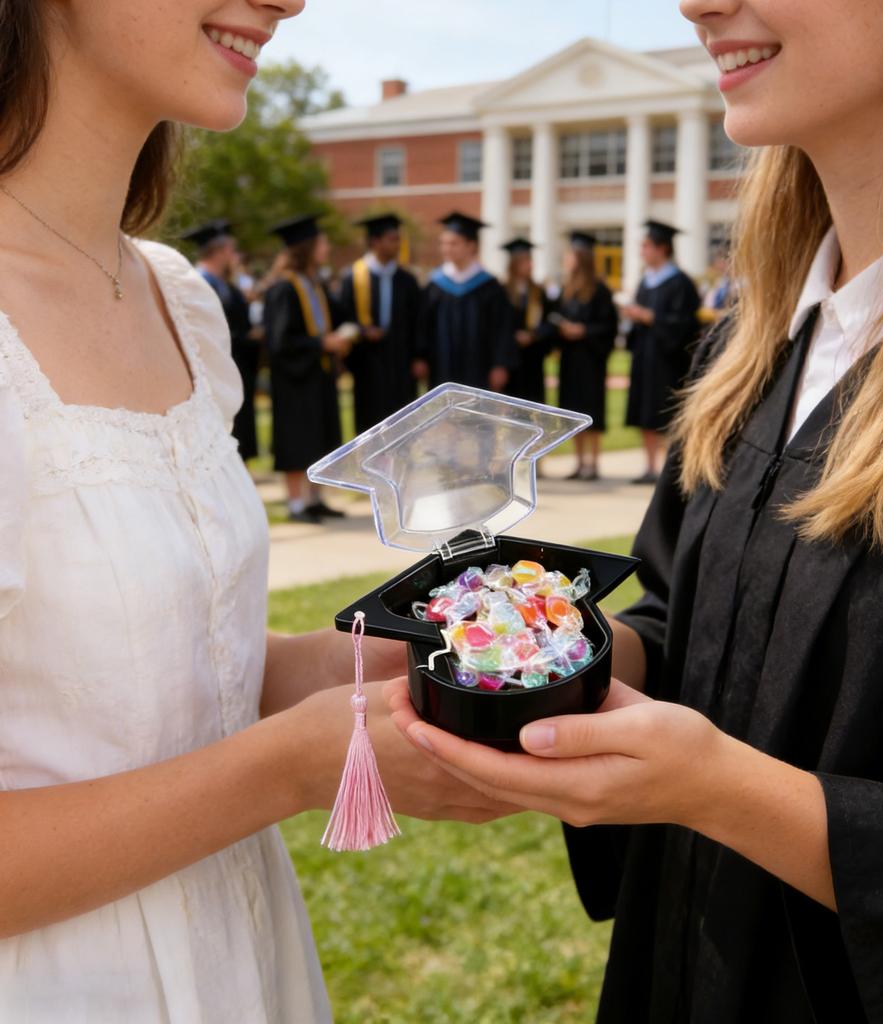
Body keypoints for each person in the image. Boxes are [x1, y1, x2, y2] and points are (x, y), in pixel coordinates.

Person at [391, 1, 883, 1021]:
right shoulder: (761, 353)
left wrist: (711, 788)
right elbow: (679, 623)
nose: (694, 2)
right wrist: (535, 648)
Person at [0, 3, 505, 1019]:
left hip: (244, 963)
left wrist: (407, 654)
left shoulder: (178, 298)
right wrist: (286, 768)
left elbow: (171, 668)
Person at [264, 213, 349, 523]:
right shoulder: (284, 289)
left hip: (317, 375)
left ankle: (315, 499)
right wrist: (320, 344)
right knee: (298, 440)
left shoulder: (313, 285)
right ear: (307, 248)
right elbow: (280, 341)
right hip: (293, 379)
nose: (326, 247)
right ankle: (296, 504)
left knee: (319, 438)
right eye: (322, 242)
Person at [622, 220, 702, 484]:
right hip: (646, 358)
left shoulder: (680, 283)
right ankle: (649, 467)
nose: (641, 251)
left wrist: (650, 316)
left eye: (646, 246)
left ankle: (673, 468)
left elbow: (687, 325)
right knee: (646, 411)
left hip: (669, 361)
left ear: (662, 248)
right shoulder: (646, 282)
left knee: (669, 412)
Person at [336, 213, 421, 434]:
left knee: (402, 425)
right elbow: (342, 318)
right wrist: (362, 331)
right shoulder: (352, 278)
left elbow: (418, 322)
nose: (398, 244)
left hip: (401, 363)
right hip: (366, 363)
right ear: (375, 242)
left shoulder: (407, 280)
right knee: (368, 424)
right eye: (392, 239)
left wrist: (419, 356)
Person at [185, 219, 261, 461]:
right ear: (218, 250)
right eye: (230, 248)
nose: (233, 254)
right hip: (210, 370)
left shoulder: (226, 284)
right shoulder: (196, 282)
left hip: (237, 365)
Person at [415, 211, 517, 392]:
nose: (446, 249)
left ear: (471, 246)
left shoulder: (490, 286)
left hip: (480, 369)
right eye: (443, 243)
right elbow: (422, 325)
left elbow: (502, 330)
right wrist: (420, 357)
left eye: (453, 243)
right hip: (441, 367)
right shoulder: (435, 284)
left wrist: (500, 364)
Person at [552, 232, 619, 481]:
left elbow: (609, 326)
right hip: (570, 359)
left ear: (580, 258)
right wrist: (562, 331)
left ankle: (593, 463)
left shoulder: (600, 291)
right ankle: (580, 463)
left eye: (570, 255)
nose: (566, 259)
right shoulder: (565, 290)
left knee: (592, 409)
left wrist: (583, 330)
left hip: (591, 360)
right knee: (573, 412)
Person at [502, 238, 555, 405]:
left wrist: (533, 335)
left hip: (533, 358)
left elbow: (550, 322)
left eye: (530, 261)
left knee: (533, 404)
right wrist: (512, 337)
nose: (530, 265)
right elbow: (496, 325)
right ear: (514, 264)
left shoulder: (539, 292)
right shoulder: (501, 292)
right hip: (509, 358)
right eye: (525, 261)